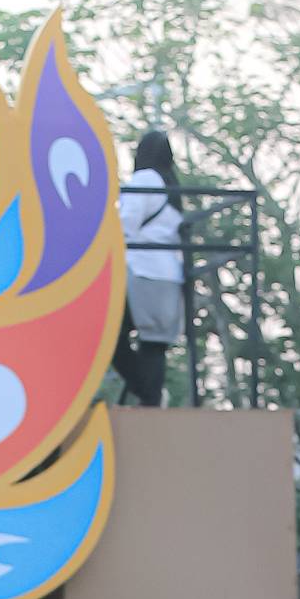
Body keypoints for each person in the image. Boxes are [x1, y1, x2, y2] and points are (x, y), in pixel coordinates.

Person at [113, 129, 185, 409]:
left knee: (110, 334)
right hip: (169, 275)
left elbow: (125, 225)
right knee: (154, 344)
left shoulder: (145, 179)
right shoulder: (173, 187)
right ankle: (150, 400)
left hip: (143, 270)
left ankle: (146, 392)